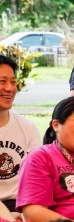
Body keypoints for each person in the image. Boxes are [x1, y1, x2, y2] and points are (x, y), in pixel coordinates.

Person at [0, 54, 41, 213]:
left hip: (22, 206)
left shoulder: (27, 127)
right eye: (2, 82)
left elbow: (36, 179)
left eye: (13, 82)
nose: (9, 88)